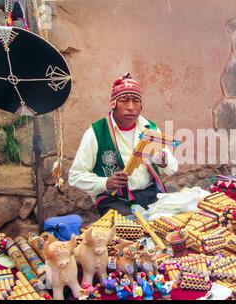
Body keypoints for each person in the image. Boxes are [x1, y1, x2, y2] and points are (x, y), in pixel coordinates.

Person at [69, 73, 178, 215]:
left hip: (150, 194)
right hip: (114, 200)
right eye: (124, 101)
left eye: (136, 101)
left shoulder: (150, 129)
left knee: (171, 223)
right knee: (131, 229)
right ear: (113, 104)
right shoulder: (95, 133)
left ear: (141, 105)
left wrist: (164, 162)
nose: (131, 107)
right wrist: (106, 183)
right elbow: (75, 176)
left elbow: (173, 167)